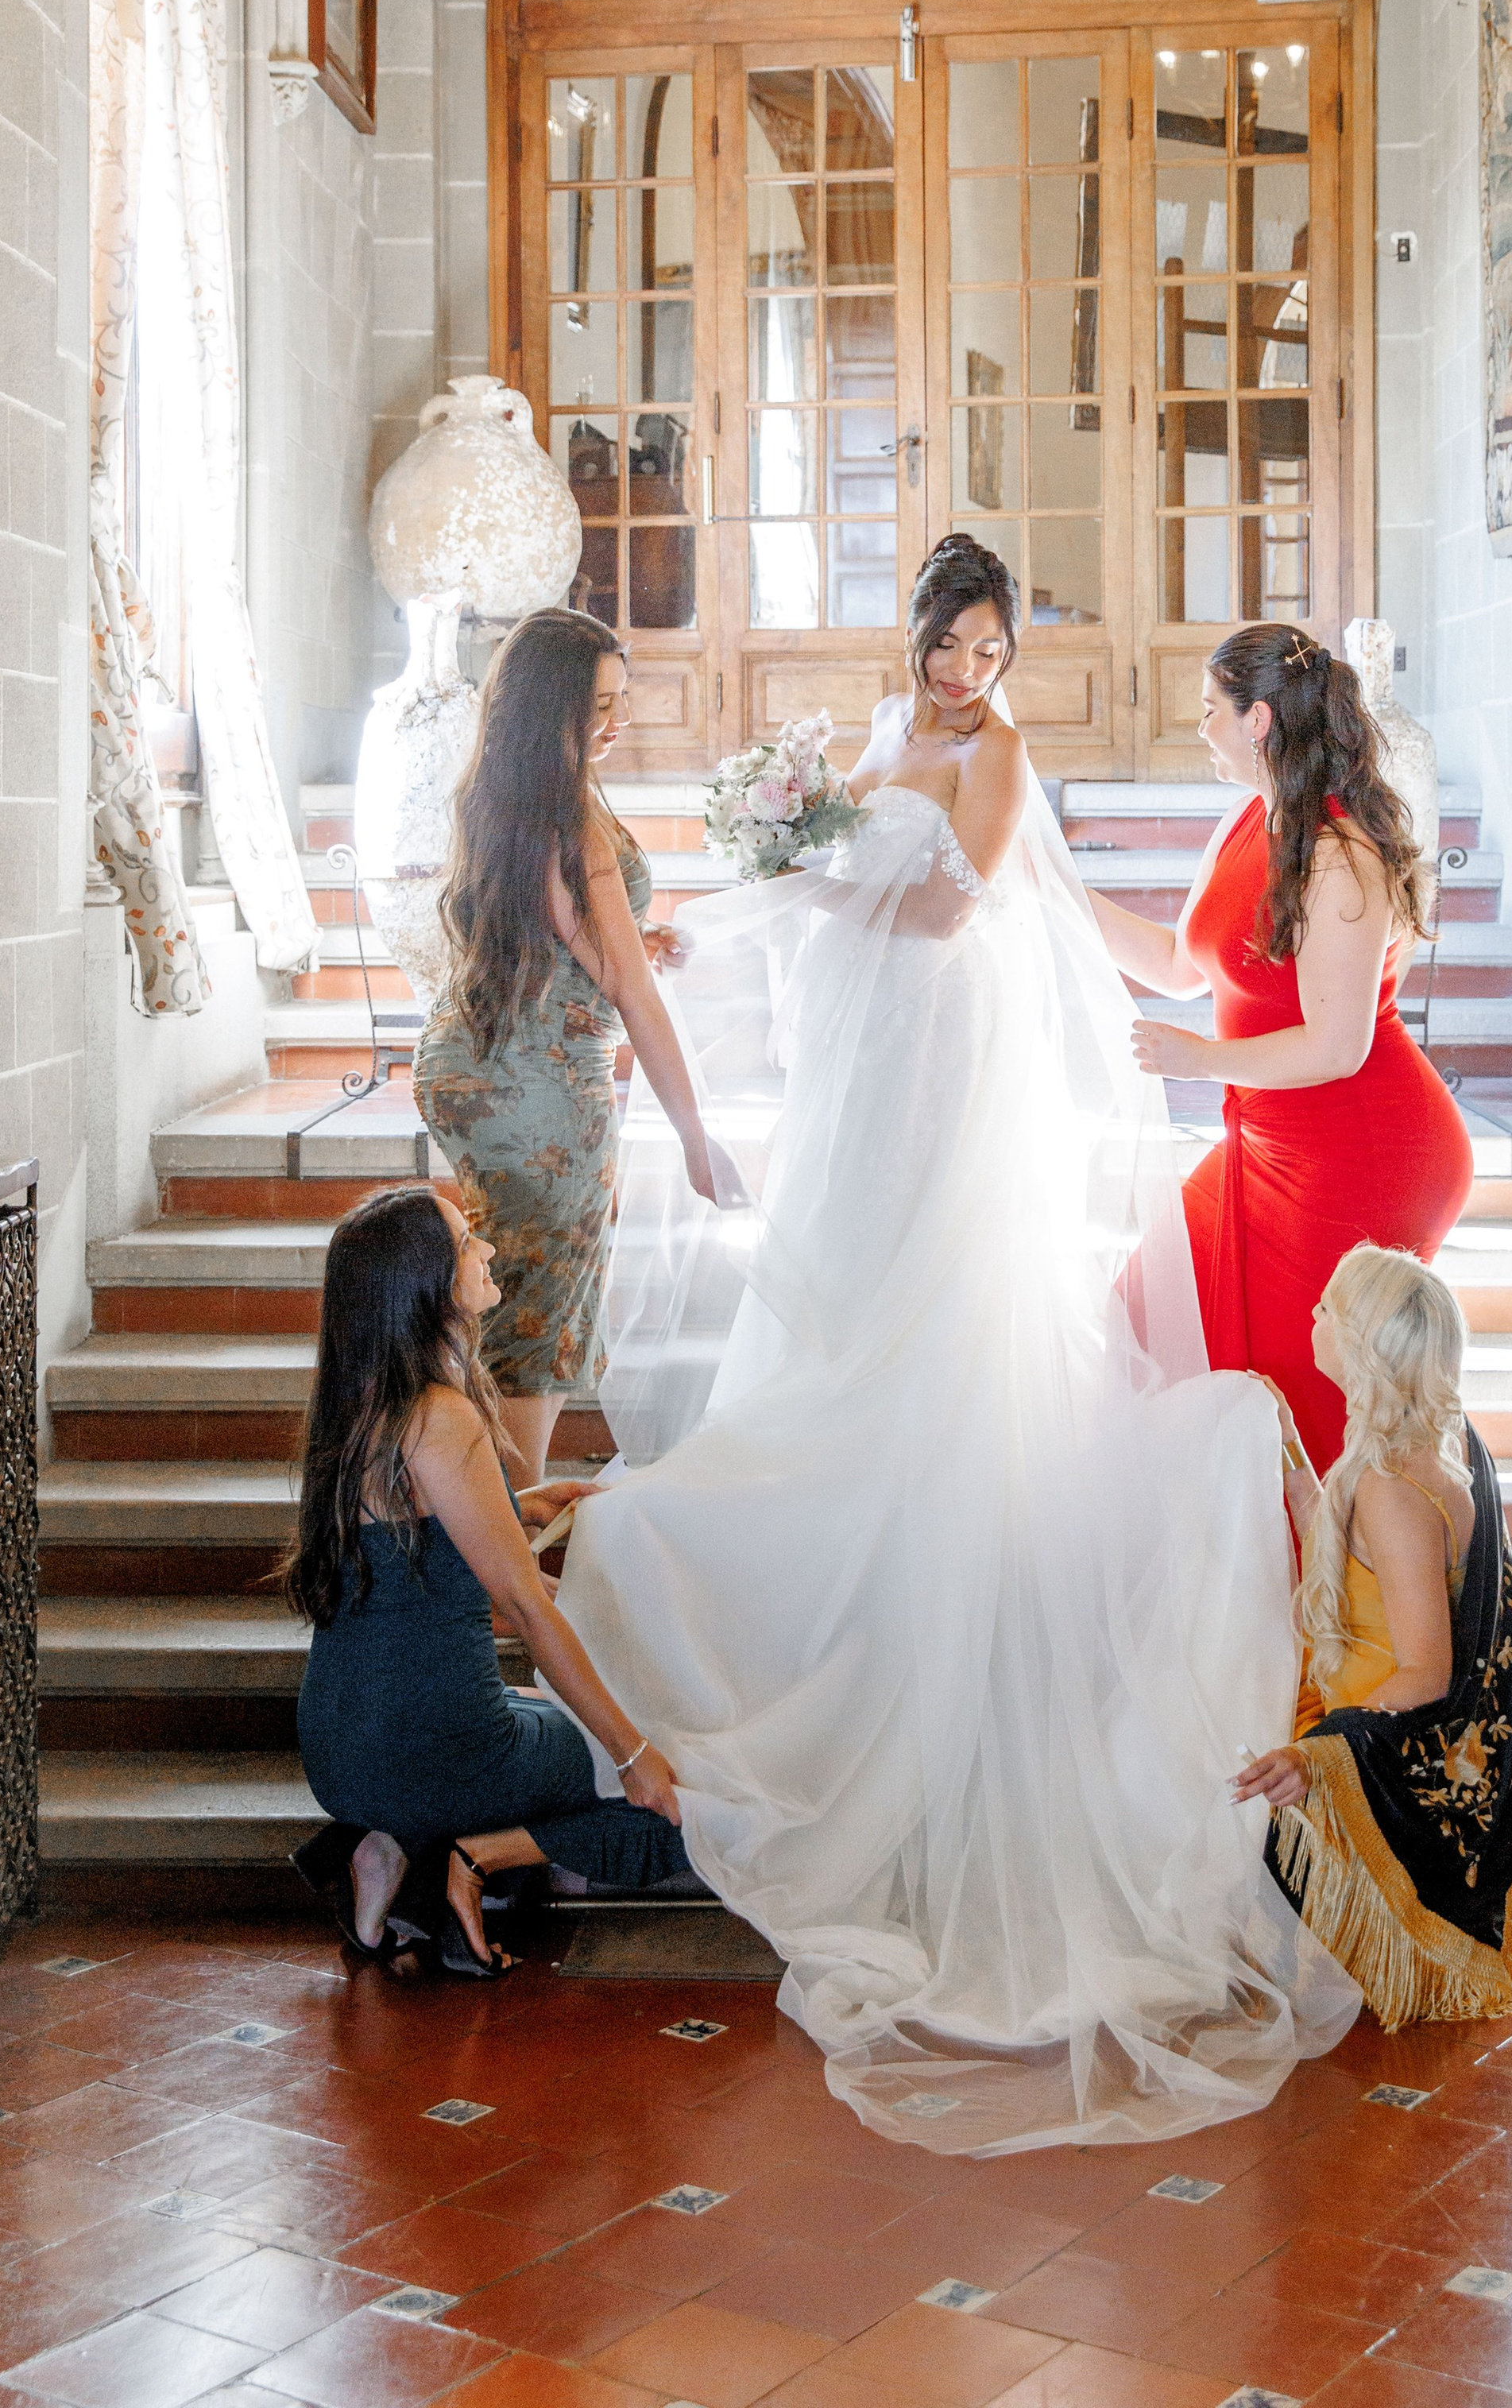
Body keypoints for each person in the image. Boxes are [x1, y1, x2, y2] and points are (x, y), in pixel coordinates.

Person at [553, 533, 1362, 2153]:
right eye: (953, 645)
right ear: (921, 634)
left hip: (936, 1042)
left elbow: (944, 909)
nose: (968, 673)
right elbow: (860, 875)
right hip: (858, 1043)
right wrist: (785, 869)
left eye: (993, 649)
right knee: (830, 1286)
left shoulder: (999, 758)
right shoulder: (875, 722)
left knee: (929, 1313)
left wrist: (800, 878)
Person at [1087, 625, 1475, 1472]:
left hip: (1361, 1150)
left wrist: (1201, 1062)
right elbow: (1176, 965)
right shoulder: (1247, 822)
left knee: (1305, 1400)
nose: (1199, 728)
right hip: (1265, 1146)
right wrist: (1059, 892)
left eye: (1209, 712)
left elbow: (1337, 1047)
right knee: (1140, 1324)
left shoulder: (1341, 852)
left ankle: (1336, 1592)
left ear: (1258, 719)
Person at [288, 1184, 695, 1975]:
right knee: (685, 1771)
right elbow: (521, 1607)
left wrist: (526, 1505)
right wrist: (633, 1752)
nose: (488, 1251)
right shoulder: (440, 1416)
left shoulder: (359, 1405)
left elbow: (429, 1545)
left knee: (548, 1707)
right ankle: (474, 1857)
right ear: (426, 1283)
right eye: (467, 1240)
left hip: (336, 1744)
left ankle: (381, 1850)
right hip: (430, 1746)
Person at [414, 607, 730, 1489]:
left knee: (501, 1295)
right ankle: (504, 1551)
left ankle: (476, 1528)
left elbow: (562, 933)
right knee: (537, 1316)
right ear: (547, 703)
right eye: (598, 704)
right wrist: (696, 1138)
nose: (615, 722)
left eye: (622, 701)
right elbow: (627, 991)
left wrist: (635, 936)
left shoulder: (511, 791)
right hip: (536, 1089)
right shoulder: (568, 815)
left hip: (478, 1059)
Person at [1235, 1244, 1512, 2029]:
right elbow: (1343, 1550)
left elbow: (1425, 1673)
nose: (1313, 1318)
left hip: (1388, 1765)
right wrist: (1289, 1457)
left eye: (1327, 1310)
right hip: (1356, 1714)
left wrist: (1316, 1759)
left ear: (1361, 1345)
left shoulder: (1394, 1491)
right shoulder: (1401, 1454)